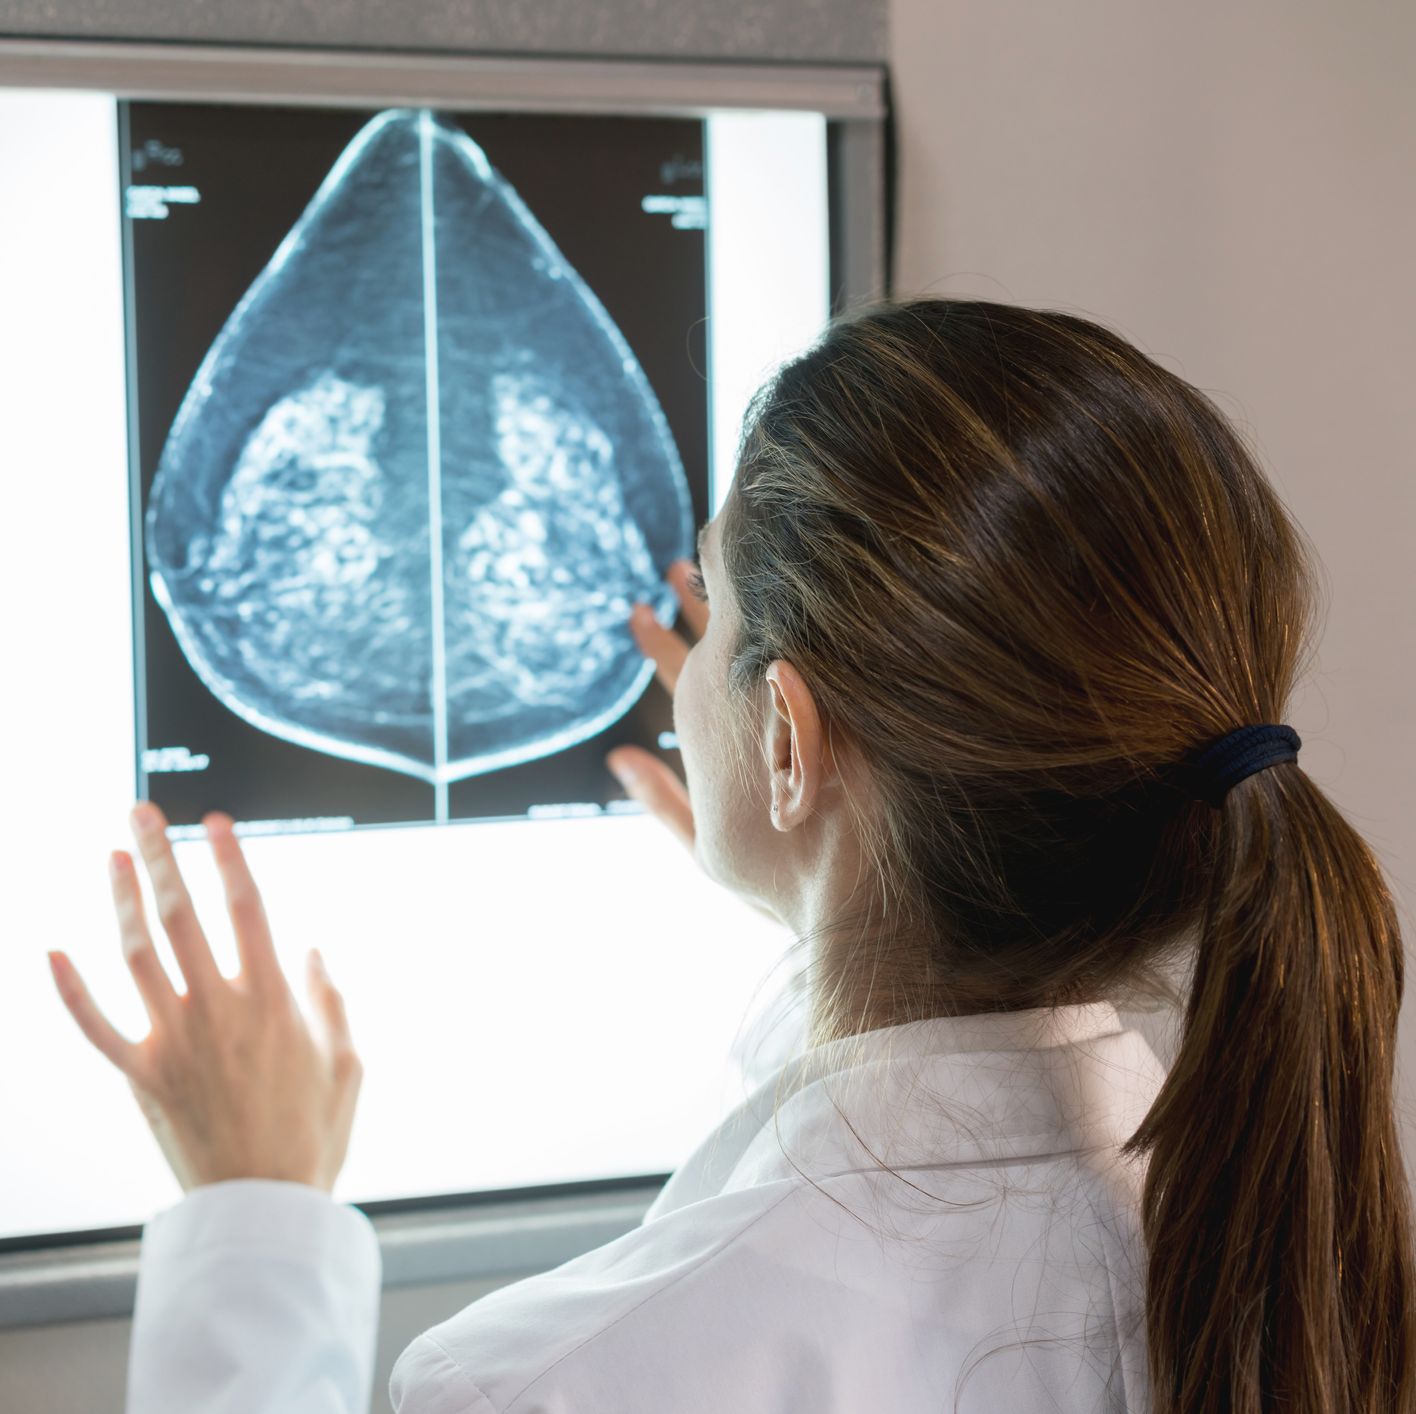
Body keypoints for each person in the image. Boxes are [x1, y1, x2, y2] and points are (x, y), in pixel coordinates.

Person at [48, 297, 1414, 1414]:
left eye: (711, 617)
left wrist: (251, 1215)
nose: (678, 656)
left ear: (789, 736)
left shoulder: (545, 1384)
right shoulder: (1287, 1245)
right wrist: (811, 856)